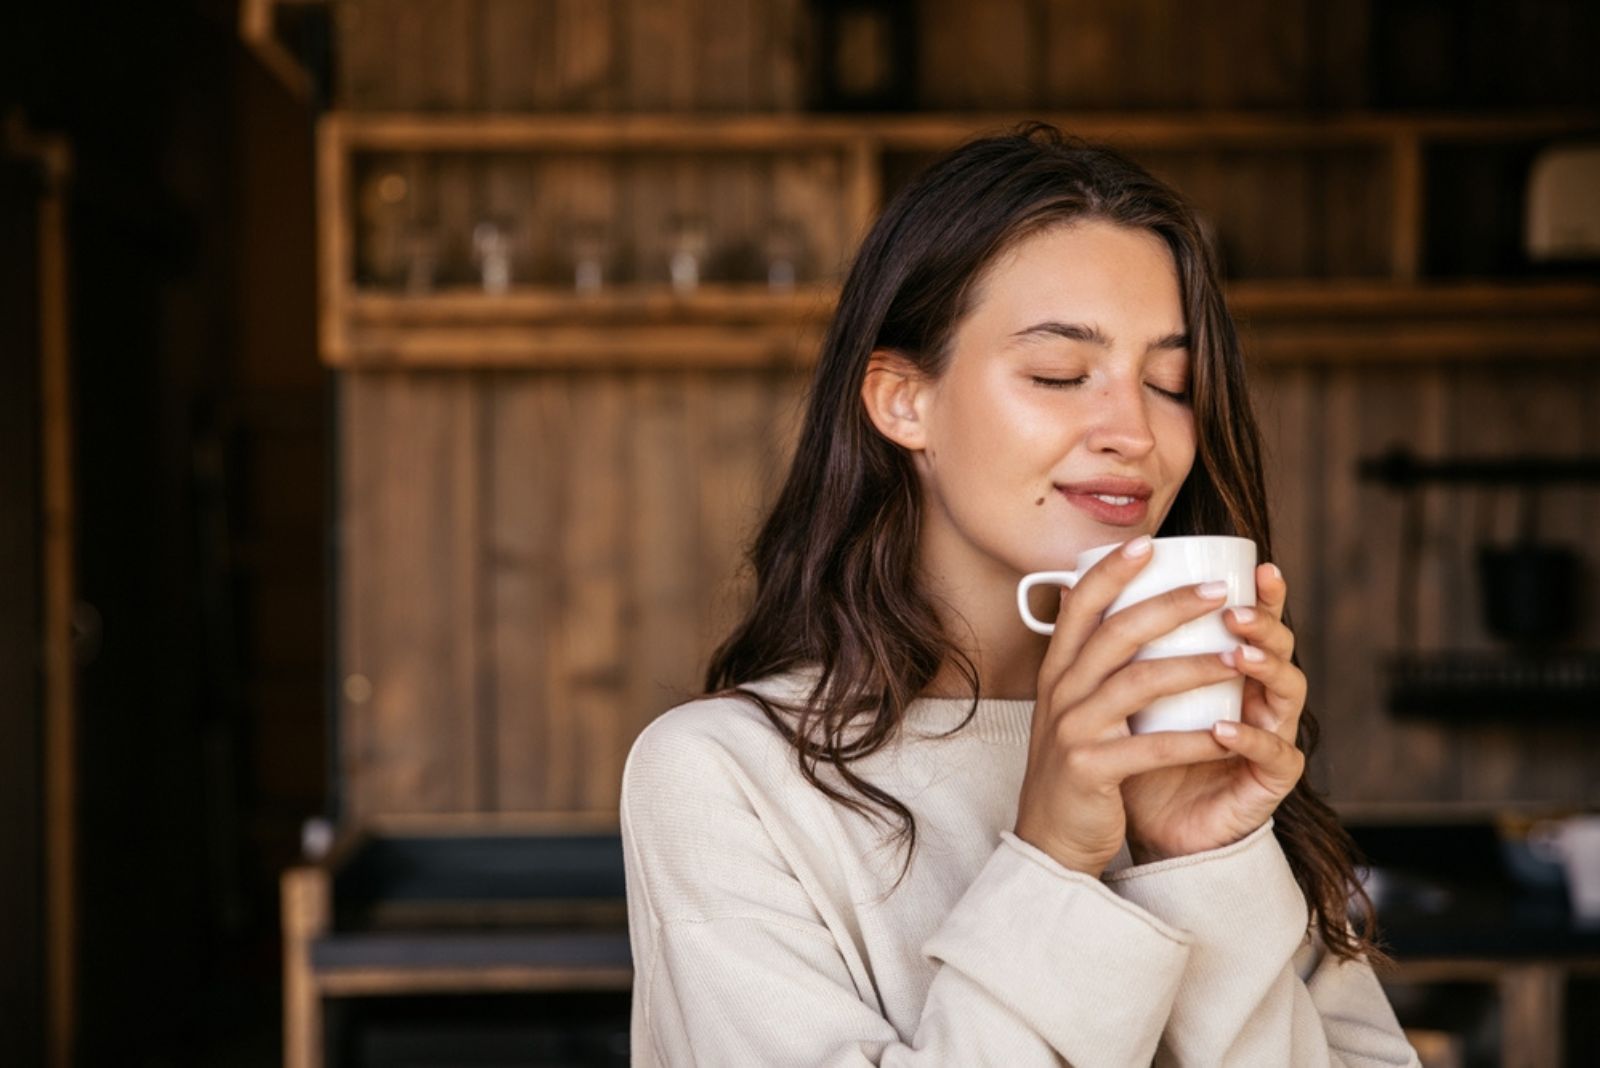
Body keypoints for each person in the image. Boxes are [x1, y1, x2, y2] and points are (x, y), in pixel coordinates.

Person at [619, 124, 1419, 1066]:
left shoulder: (1203, 747)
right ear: (901, 401)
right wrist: (1049, 859)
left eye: (1171, 382)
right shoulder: (726, 779)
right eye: (1060, 374)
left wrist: (1201, 862)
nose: (1133, 430)